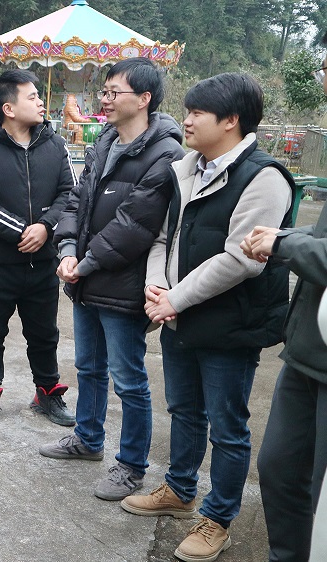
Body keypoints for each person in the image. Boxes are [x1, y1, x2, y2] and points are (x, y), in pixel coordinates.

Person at [120, 73, 295, 562]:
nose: (188, 120)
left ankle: (218, 519)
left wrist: (174, 299)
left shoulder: (264, 177)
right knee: (184, 411)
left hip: (230, 324)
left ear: (231, 120)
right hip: (179, 314)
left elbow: (241, 258)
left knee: (227, 426)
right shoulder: (186, 168)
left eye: (198, 113)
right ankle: (179, 490)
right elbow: (162, 237)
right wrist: (156, 285)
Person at [38, 58, 185, 502]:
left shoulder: (166, 153)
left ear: (144, 99)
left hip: (123, 283)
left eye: (113, 92)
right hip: (85, 277)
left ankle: (132, 466)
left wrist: (83, 263)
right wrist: (67, 249)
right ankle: (87, 438)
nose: (104, 99)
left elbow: (135, 225)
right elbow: (76, 200)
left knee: (129, 379)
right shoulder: (104, 140)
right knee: (88, 367)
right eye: (103, 91)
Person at [241, 57, 327, 562]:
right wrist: (291, 236)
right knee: (278, 470)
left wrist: (284, 243)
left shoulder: (265, 174)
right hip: (307, 353)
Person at [0, 69, 76, 426]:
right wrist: (22, 231)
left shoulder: (55, 145)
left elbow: (70, 193)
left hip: (43, 264)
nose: (41, 102)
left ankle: (47, 393)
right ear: (8, 108)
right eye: (32, 96)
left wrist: (46, 227)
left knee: (44, 334)